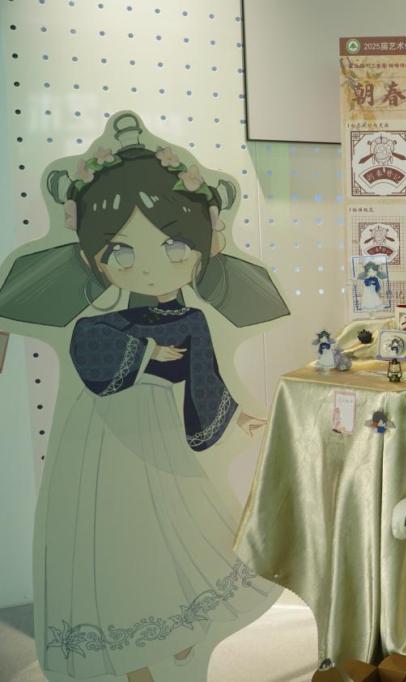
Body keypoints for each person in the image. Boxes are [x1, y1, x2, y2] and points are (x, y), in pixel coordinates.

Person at [0, 112, 288, 681]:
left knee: (177, 536)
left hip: (166, 438)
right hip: (99, 440)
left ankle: (178, 638)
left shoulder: (194, 318)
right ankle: (132, 662)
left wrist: (237, 418)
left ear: (208, 240)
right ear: (90, 255)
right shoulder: (94, 321)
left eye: (175, 245)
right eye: (121, 251)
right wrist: (150, 355)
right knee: (112, 537)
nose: (152, 265)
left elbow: (206, 379)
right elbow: (88, 350)